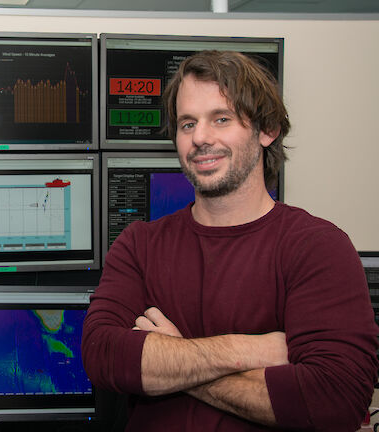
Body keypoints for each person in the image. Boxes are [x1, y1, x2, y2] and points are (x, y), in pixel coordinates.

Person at [82, 50, 378, 431]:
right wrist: (252, 350)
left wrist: (172, 357)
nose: (201, 138)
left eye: (221, 119)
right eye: (187, 124)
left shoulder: (318, 248)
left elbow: (334, 400)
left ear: (267, 130)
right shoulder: (139, 245)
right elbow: (102, 355)